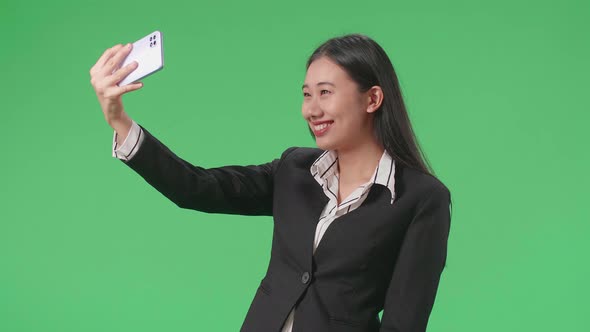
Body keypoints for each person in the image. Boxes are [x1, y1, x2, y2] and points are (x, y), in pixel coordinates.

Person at [90, 33, 452, 332]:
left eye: (325, 92)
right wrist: (119, 121)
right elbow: (196, 187)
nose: (310, 109)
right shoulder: (294, 170)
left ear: (372, 98)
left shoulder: (422, 199)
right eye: (306, 94)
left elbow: (405, 323)